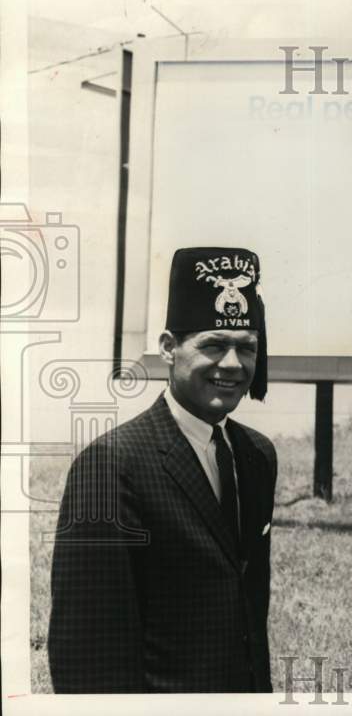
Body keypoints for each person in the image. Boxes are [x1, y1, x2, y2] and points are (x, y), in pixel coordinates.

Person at [48, 247, 277, 693]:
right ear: (169, 348)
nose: (232, 364)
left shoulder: (256, 455)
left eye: (247, 348)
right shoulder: (112, 465)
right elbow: (85, 648)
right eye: (212, 345)